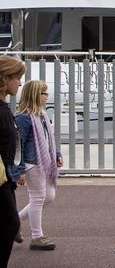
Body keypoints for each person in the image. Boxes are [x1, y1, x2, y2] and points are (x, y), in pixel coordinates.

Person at [15, 80, 62, 251]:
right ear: (35, 95)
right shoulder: (23, 118)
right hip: (31, 163)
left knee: (48, 196)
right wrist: (19, 170)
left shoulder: (42, 115)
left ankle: (15, 222)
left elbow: (50, 138)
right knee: (37, 198)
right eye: (44, 94)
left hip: (44, 162)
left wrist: (56, 154)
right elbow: (17, 145)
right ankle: (37, 236)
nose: (46, 97)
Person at [0, 57, 30, 268]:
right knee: (9, 225)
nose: (19, 83)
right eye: (16, 77)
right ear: (4, 78)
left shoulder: (3, 109)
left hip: (5, 178)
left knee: (9, 225)